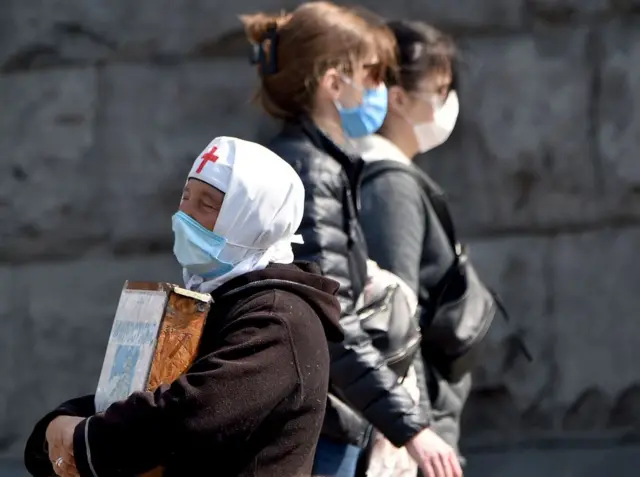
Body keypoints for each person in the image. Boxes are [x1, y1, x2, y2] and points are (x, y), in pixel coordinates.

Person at [23, 136, 344, 477]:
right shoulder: (223, 299)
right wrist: (61, 424)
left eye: (207, 205)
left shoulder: (277, 317)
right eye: (186, 197)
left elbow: (192, 411)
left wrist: (83, 438)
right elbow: (142, 390)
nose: (184, 216)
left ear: (255, 220)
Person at [242, 4, 461, 477]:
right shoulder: (312, 171)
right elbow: (334, 320)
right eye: (374, 75)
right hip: (325, 430)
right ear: (334, 82)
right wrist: (412, 429)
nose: (380, 90)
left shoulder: (311, 161)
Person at [354, 20, 472, 468]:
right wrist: (418, 433)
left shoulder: (382, 173)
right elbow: (397, 321)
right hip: (420, 432)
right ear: (398, 98)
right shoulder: (390, 185)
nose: (447, 104)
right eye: (439, 91)